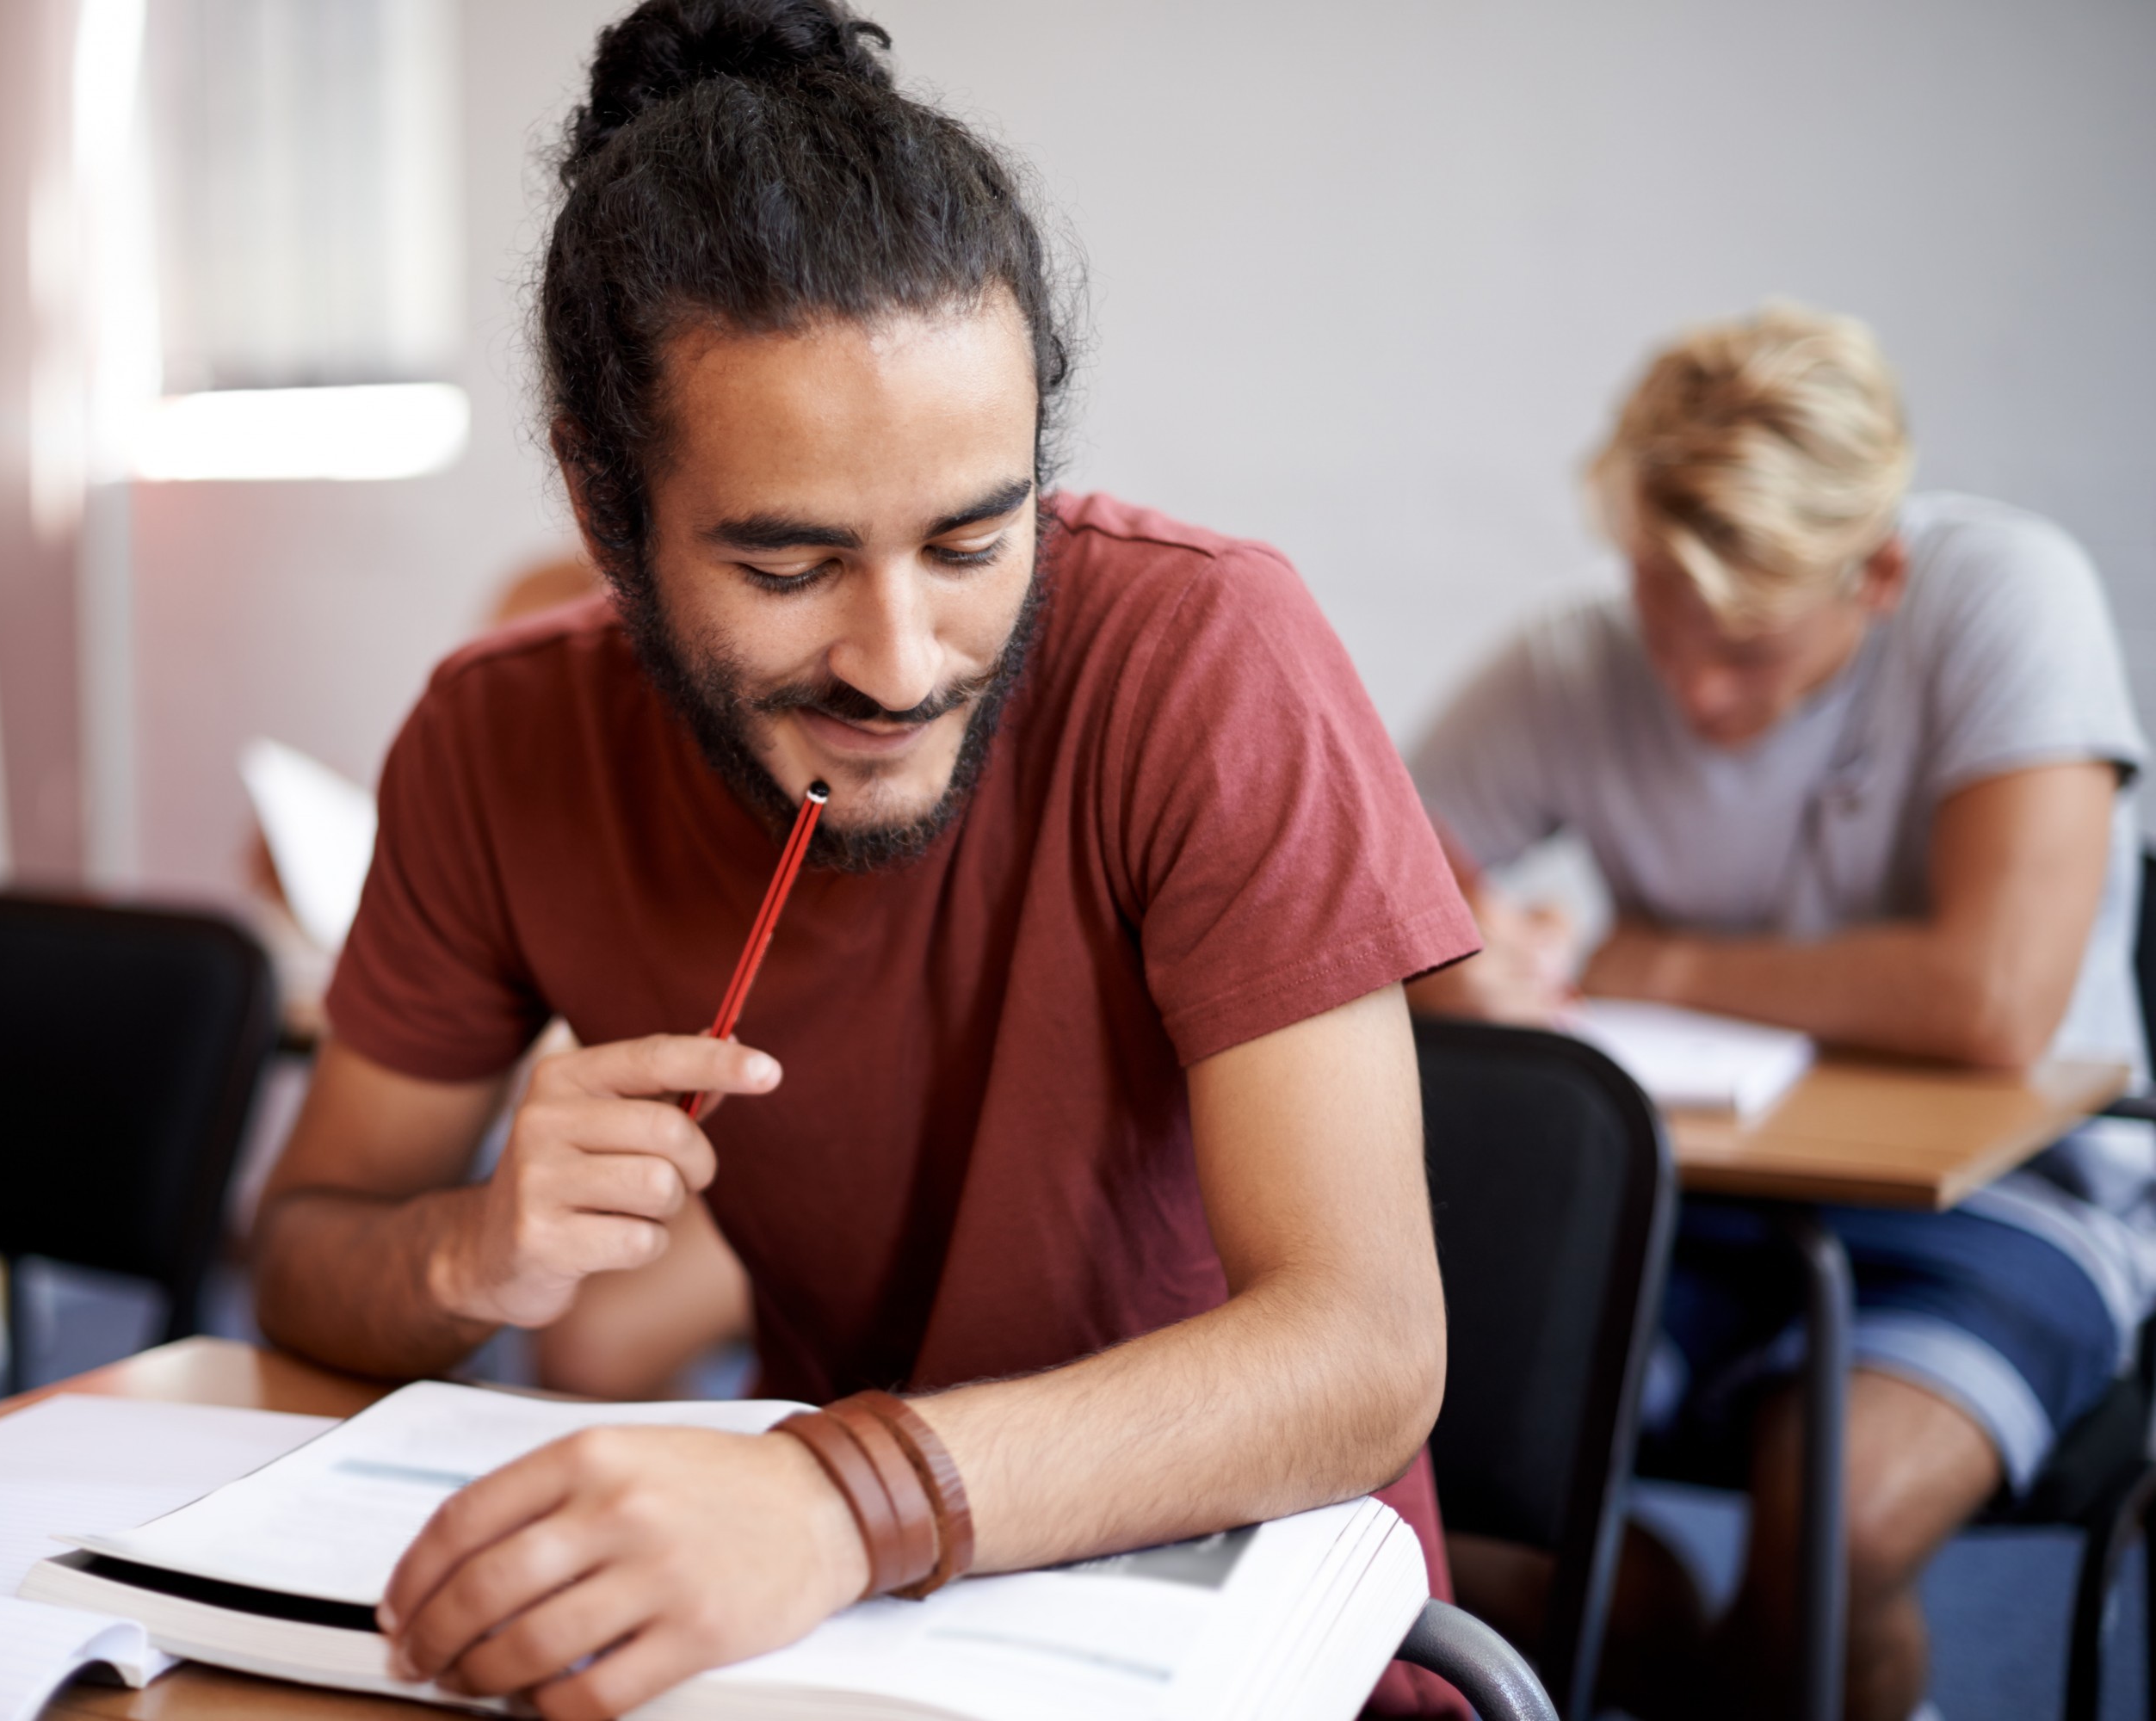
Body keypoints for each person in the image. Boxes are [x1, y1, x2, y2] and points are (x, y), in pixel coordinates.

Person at [250, 4, 1479, 1717]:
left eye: (975, 539)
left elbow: (1361, 1354)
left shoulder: (1207, 652)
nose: (901, 665)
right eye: (787, 565)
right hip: (824, 1644)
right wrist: (472, 1253)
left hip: (1241, 1636)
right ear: (599, 504)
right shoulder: (492, 738)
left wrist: (844, 1498)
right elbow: (307, 1246)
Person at [1409, 302, 2151, 1721]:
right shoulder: (1579, 657)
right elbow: (1359, 876)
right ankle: (1696, 1661)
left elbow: (1993, 1000)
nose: (1691, 684)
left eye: (1746, 648)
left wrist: (1646, 963)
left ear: (1877, 574)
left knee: (1840, 1525)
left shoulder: (2003, 596)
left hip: (2015, 1200)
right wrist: (1460, 961)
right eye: (1658, 612)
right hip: (1693, 1198)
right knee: (1461, 1490)